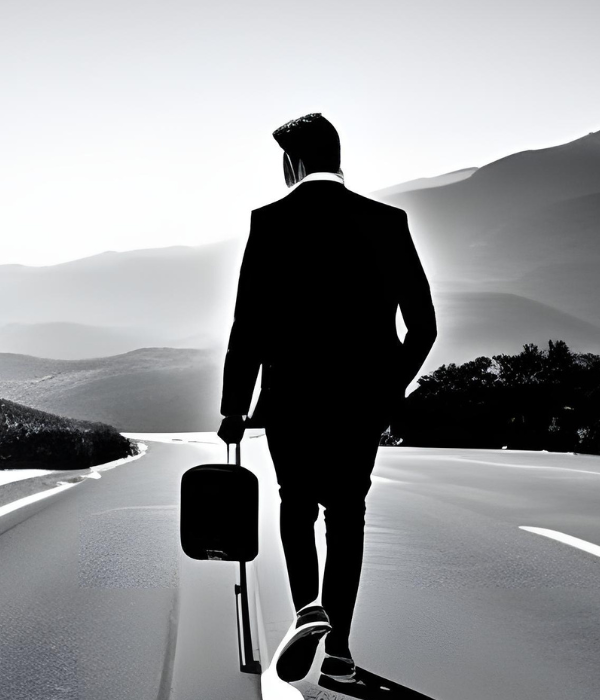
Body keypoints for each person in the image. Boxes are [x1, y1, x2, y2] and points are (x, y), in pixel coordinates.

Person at [218, 113, 437, 684]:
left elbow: (249, 326)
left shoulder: (269, 223)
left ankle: (305, 609)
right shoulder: (388, 222)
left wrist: (233, 409)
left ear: (292, 163)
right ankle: (338, 650)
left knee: (296, 503)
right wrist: (387, 389)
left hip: (290, 400)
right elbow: (424, 326)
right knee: (347, 514)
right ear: (337, 158)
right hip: (360, 405)